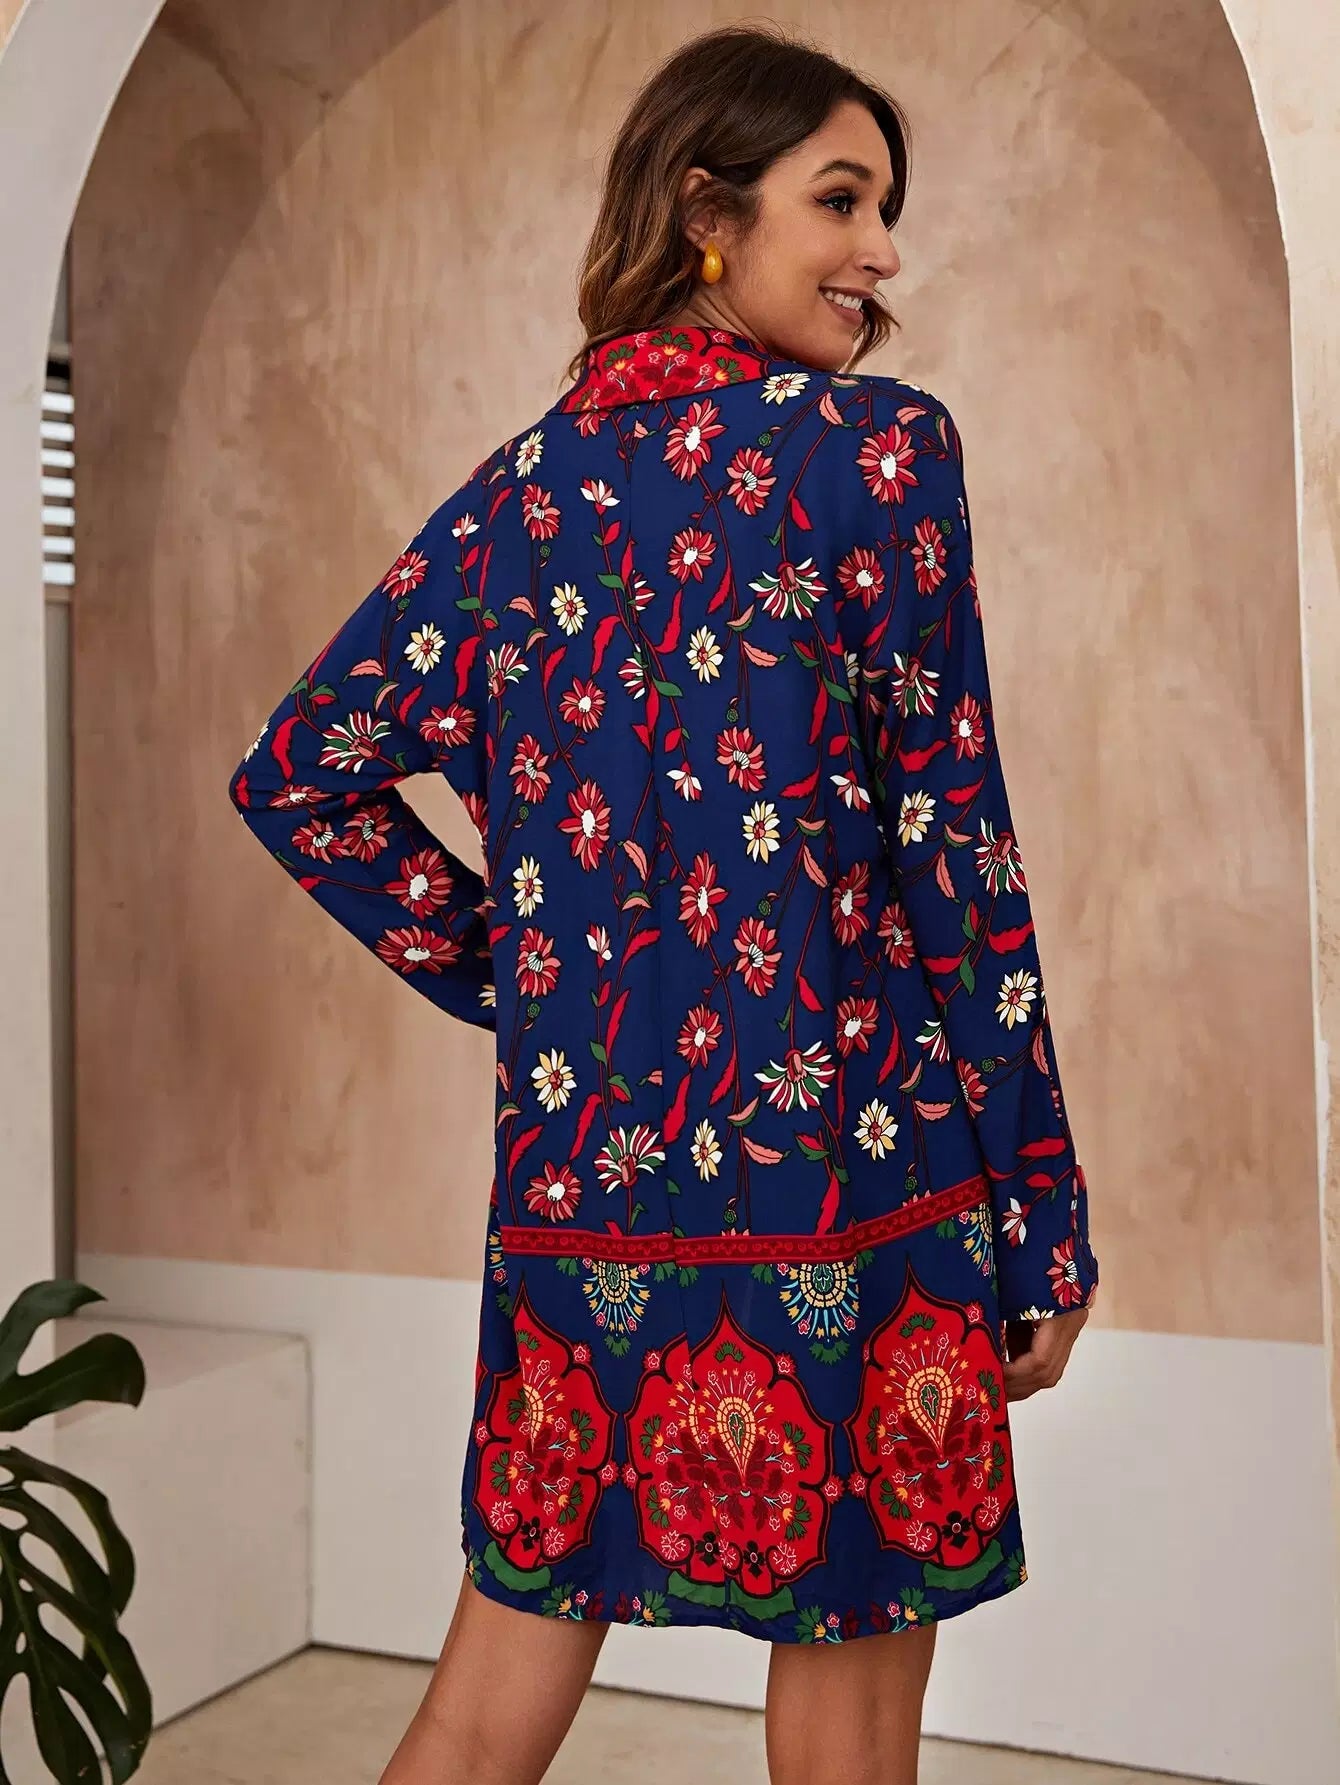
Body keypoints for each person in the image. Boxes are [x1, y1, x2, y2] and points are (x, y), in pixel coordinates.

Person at [227, 22, 1099, 1785]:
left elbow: (299, 773)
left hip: (585, 1200)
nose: (882, 250)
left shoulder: (521, 492)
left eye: (887, 207)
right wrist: (1045, 1210)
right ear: (708, 212)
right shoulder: (877, 453)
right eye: (840, 199)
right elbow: (957, 852)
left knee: (480, 1713)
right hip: (856, 1182)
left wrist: (535, 976)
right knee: (850, 1739)